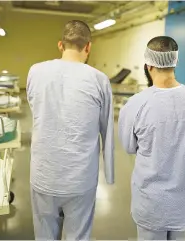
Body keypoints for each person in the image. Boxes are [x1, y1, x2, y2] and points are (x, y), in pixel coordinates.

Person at [118, 36, 185, 240]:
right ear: (175, 62)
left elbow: (130, 146)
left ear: (148, 65)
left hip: (152, 202)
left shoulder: (136, 105)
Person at [26, 20, 114, 240]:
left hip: (43, 174)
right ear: (88, 47)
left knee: (44, 234)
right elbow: (107, 131)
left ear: (60, 45)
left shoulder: (35, 72)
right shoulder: (99, 80)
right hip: (80, 179)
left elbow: (35, 108)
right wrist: (110, 174)